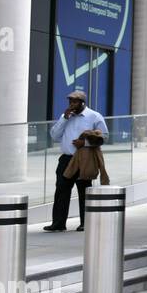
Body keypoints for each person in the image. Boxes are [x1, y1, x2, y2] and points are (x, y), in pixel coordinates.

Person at [44, 89, 109, 232]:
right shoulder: (65, 117)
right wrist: (64, 118)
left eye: (75, 101)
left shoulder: (94, 116)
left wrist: (85, 144)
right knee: (61, 190)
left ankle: (85, 222)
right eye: (70, 101)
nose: (72, 104)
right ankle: (58, 223)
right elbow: (54, 136)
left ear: (82, 102)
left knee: (84, 190)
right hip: (66, 159)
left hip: (84, 159)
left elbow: (104, 137)